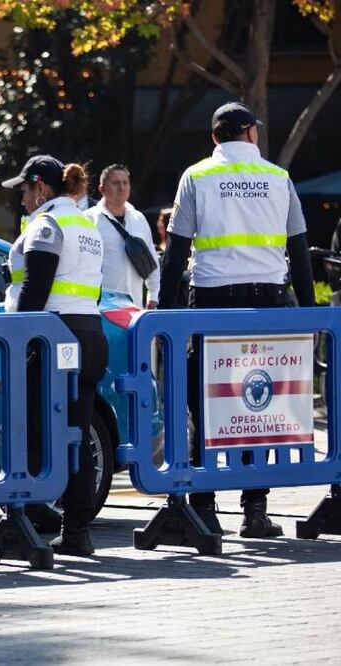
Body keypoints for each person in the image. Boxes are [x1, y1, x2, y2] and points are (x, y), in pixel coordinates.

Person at [158, 101, 316, 538]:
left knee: (207, 400)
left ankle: (204, 509)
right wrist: (311, 311)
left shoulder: (198, 176)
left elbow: (175, 252)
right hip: (269, 303)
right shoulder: (277, 178)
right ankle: (255, 512)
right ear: (250, 134)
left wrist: (164, 315)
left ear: (215, 138)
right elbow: (300, 251)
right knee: (257, 402)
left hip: (213, 301)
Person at [2, 155, 107, 556]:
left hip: (51, 338)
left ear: (41, 187)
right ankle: (77, 532)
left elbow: (34, 292)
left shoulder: (47, 224)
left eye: (24, 192)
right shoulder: (85, 223)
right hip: (88, 335)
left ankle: (23, 524)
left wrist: (17, 344)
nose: (22, 201)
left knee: (30, 431)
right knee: (74, 437)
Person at [87, 164, 160, 308]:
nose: (122, 187)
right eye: (115, 183)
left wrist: (153, 294)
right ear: (101, 189)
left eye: (125, 182)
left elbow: (153, 261)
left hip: (135, 307)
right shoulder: (89, 219)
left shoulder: (139, 218)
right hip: (101, 308)